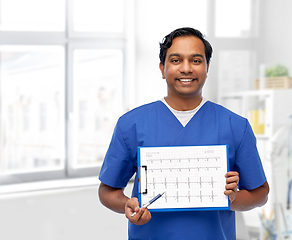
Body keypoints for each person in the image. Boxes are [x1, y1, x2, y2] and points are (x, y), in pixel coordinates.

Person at [98, 27, 269, 240]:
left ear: (207, 67)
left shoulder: (235, 125)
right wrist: (128, 204)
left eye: (196, 61)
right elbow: (107, 191)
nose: (186, 68)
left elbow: (260, 193)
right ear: (162, 68)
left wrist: (232, 198)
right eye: (176, 60)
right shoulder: (131, 124)